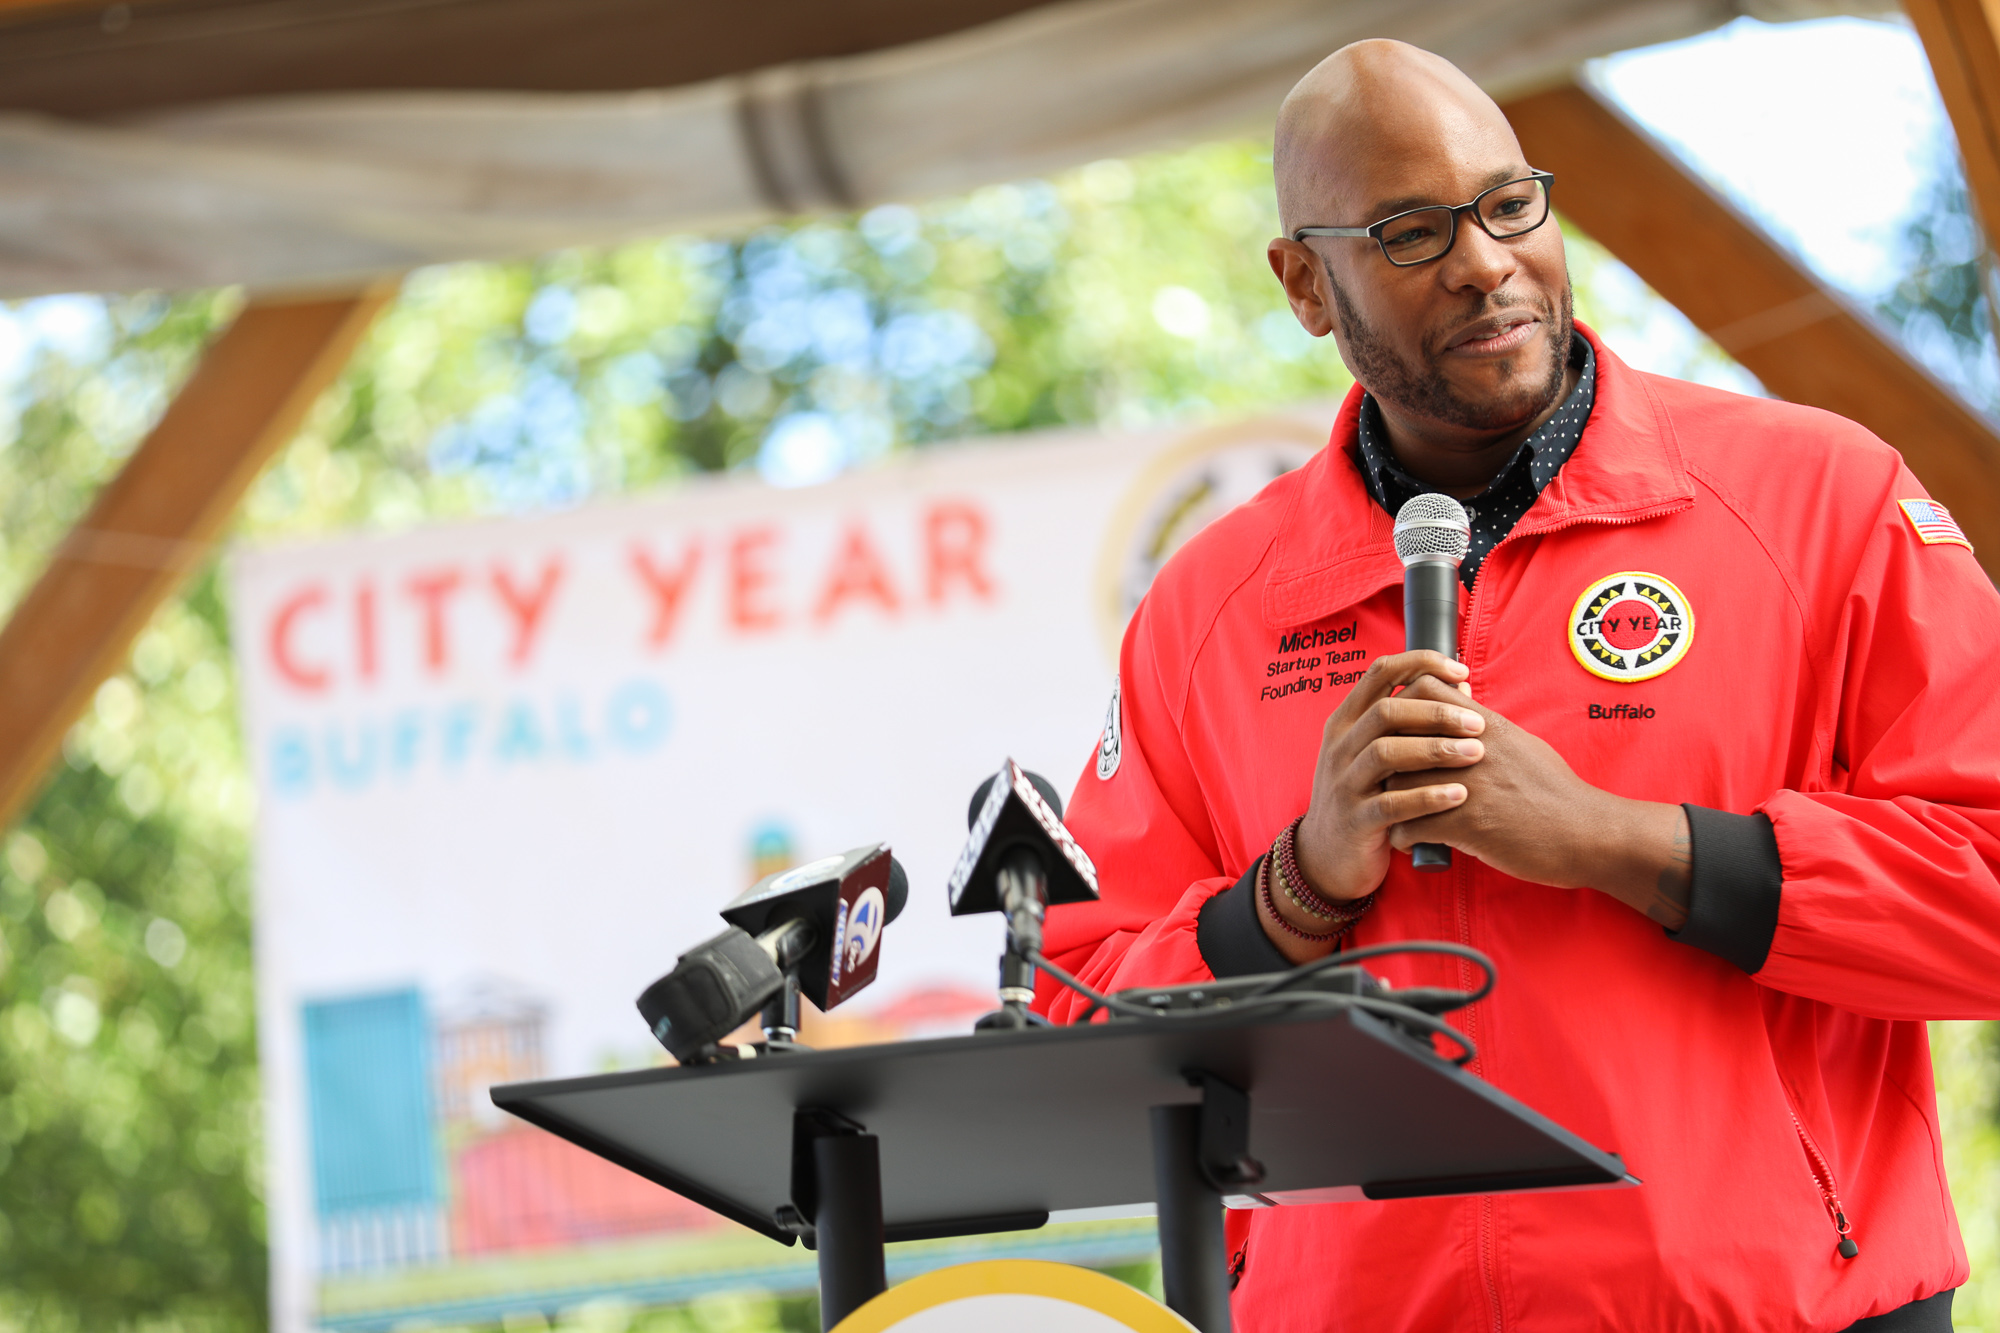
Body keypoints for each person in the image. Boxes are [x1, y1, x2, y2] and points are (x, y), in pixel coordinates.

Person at [1039, 38, 2000, 1332]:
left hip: (1780, 1310)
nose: (1486, 260)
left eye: (1508, 204)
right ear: (1305, 285)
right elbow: (1071, 1010)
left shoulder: (1818, 497)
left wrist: (1617, 842)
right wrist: (1299, 885)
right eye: (1411, 230)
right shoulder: (1206, 610)